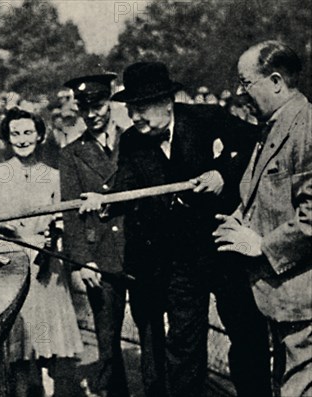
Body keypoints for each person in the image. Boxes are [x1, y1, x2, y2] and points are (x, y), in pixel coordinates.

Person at [83, 62, 272, 397]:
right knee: (184, 344)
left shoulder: (207, 119)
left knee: (247, 333)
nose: (135, 117)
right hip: (179, 259)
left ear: (166, 102)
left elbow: (255, 144)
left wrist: (222, 174)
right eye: (130, 109)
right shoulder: (132, 141)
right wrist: (105, 200)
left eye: (141, 108)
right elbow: (127, 185)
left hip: (226, 247)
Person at [214, 40, 312, 397]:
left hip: (303, 299)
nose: (241, 94)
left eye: (246, 83)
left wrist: (261, 245)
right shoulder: (273, 126)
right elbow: (261, 192)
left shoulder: (306, 128)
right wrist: (239, 219)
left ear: (275, 81)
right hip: (281, 298)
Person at [0, 107, 83, 397]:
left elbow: (66, 222)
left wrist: (54, 235)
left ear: (40, 135)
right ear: (7, 138)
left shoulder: (54, 176)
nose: (22, 139)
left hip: (47, 270)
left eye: (28, 132)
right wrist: (3, 235)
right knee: (20, 354)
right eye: (15, 133)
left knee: (54, 351)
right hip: (11, 268)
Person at [59, 73, 130, 397]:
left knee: (153, 331)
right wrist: (82, 261)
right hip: (100, 256)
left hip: (138, 249)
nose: (92, 114)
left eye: (98, 105)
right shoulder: (72, 153)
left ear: (111, 101)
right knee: (107, 338)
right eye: (85, 109)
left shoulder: (134, 141)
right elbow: (71, 212)